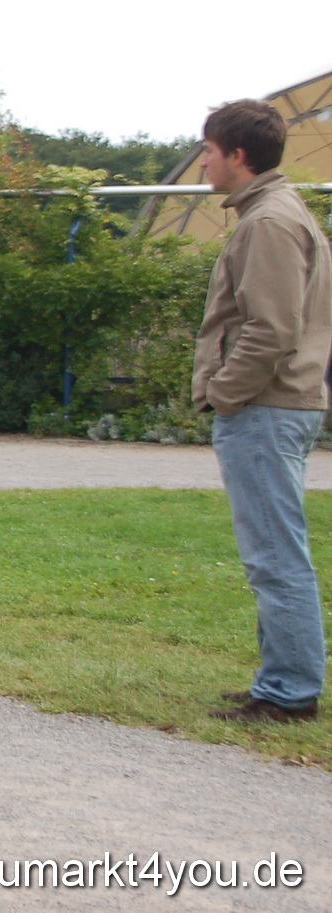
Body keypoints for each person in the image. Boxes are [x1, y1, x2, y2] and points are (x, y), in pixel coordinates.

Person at [193, 99, 331, 724]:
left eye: (211, 150)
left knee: (276, 554)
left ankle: (289, 691)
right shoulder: (274, 212)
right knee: (275, 550)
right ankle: (280, 677)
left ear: (238, 155)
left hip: (266, 406)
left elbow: (271, 328)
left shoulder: (268, 221)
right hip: (273, 404)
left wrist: (225, 391)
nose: (205, 161)